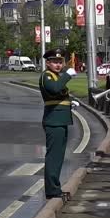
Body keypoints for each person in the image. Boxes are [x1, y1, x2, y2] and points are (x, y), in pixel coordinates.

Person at [39, 48, 76, 200]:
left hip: (60, 120)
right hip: (54, 121)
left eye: (60, 62)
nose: (58, 65)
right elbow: (54, 89)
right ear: (47, 63)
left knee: (58, 157)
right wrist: (67, 75)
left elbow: (59, 95)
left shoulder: (56, 76)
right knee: (54, 157)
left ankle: (55, 188)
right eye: (54, 62)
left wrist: (69, 103)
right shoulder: (47, 76)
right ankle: (52, 190)